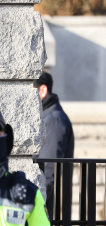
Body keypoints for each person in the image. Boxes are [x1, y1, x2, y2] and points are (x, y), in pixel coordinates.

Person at [34, 72, 74, 214]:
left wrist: (37, 207)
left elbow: (49, 170)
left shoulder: (53, 120)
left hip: (49, 209)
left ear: (43, 90)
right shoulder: (50, 117)